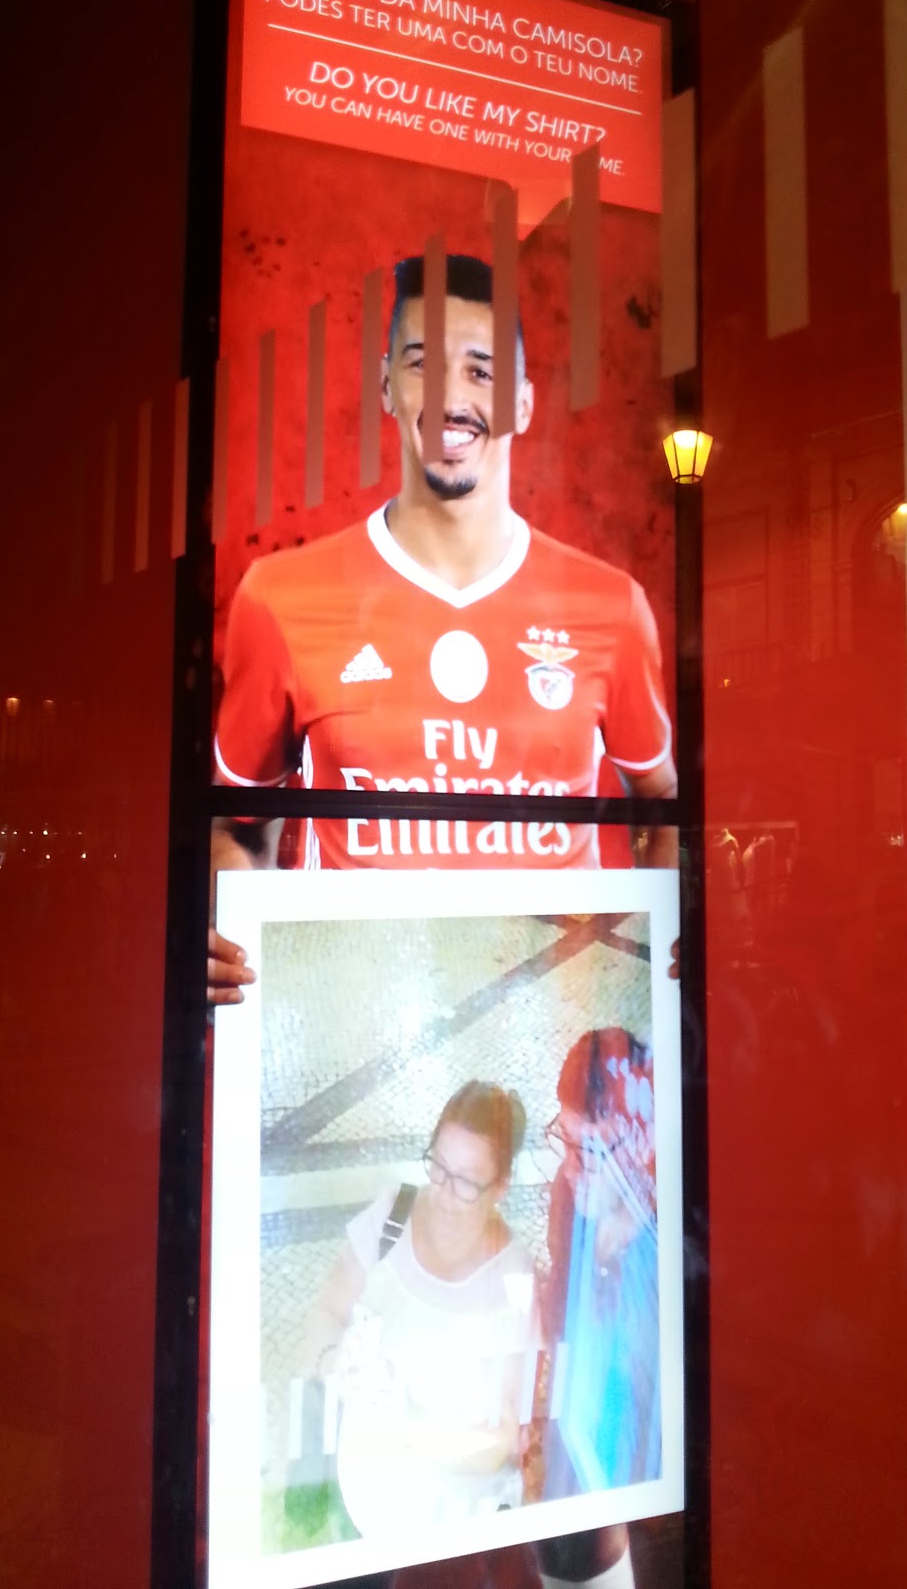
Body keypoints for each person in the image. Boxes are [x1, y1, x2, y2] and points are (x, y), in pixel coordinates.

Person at [208, 252, 677, 999]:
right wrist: (227, 939)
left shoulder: (611, 607)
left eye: (481, 371)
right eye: (423, 364)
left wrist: (661, 958)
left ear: (523, 403)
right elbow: (236, 824)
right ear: (386, 384)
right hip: (358, 1022)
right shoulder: (281, 596)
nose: (451, 397)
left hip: (549, 1023)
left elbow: (664, 806)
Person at [294, 1081, 540, 1544]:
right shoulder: (393, 1213)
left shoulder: (513, 1276)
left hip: (459, 1531)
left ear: (500, 1187)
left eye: (466, 1182)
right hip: (363, 1508)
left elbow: (504, 1438)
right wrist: (335, 1363)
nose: (444, 1194)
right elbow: (327, 1309)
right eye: (439, 1167)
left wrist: (407, 1428)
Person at [536, 1028, 660, 1589]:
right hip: (574, 1492)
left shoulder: (666, 1253)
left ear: (640, 1142)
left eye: (592, 1152)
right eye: (565, 1141)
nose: (571, 1169)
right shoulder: (571, 1199)